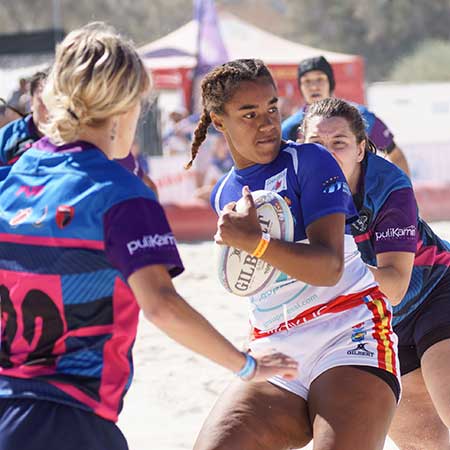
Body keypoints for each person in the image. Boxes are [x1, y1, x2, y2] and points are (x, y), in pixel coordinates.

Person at [0, 24, 298, 450]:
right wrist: (247, 365)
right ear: (125, 107)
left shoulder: (14, 178)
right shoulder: (120, 195)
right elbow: (162, 306)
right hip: (71, 418)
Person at [186, 58, 400, 450]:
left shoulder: (310, 160)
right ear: (219, 122)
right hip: (275, 350)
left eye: (271, 108)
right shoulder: (223, 194)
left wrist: (257, 244)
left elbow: (330, 267)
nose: (267, 123)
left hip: (347, 333)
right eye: (249, 114)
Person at [301, 97, 450, 450]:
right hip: (375, 323)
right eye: (315, 145)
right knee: (425, 443)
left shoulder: (388, 185)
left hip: (435, 291)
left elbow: (395, 285)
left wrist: (325, 261)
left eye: (339, 143)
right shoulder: (292, 191)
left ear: (361, 150)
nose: (326, 154)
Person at [282, 55, 411, 176]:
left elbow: (396, 155)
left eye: (320, 79)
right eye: (307, 81)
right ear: (300, 87)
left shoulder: (361, 116)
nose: (314, 86)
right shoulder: (289, 128)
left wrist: (404, 195)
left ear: (331, 83)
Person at [0, 71, 48, 165]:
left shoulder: (77, 135)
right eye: (44, 100)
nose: (51, 107)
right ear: (31, 101)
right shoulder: (7, 137)